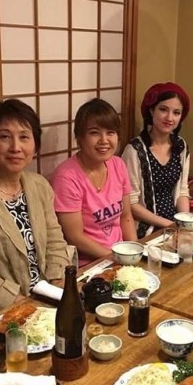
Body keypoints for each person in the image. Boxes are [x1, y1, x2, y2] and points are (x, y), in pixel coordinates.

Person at [0, 99, 68, 320]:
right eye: (4, 137)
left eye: (24, 137)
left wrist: (58, 286)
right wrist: (27, 308)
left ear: (35, 144)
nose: (16, 147)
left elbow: (55, 240)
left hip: (46, 298)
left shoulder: (38, 185)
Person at [51, 98, 137, 265]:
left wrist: (134, 251)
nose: (104, 140)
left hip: (120, 254)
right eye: (94, 132)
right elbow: (75, 236)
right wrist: (115, 259)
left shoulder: (118, 165)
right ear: (79, 138)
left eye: (110, 132)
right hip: (88, 264)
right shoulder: (66, 177)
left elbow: (126, 217)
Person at [122, 82, 190, 238]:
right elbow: (131, 204)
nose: (169, 118)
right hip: (145, 230)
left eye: (176, 113)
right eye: (163, 109)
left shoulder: (181, 146)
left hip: (174, 225)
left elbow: (182, 192)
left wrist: (185, 222)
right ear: (151, 110)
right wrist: (169, 225)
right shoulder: (134, 150)